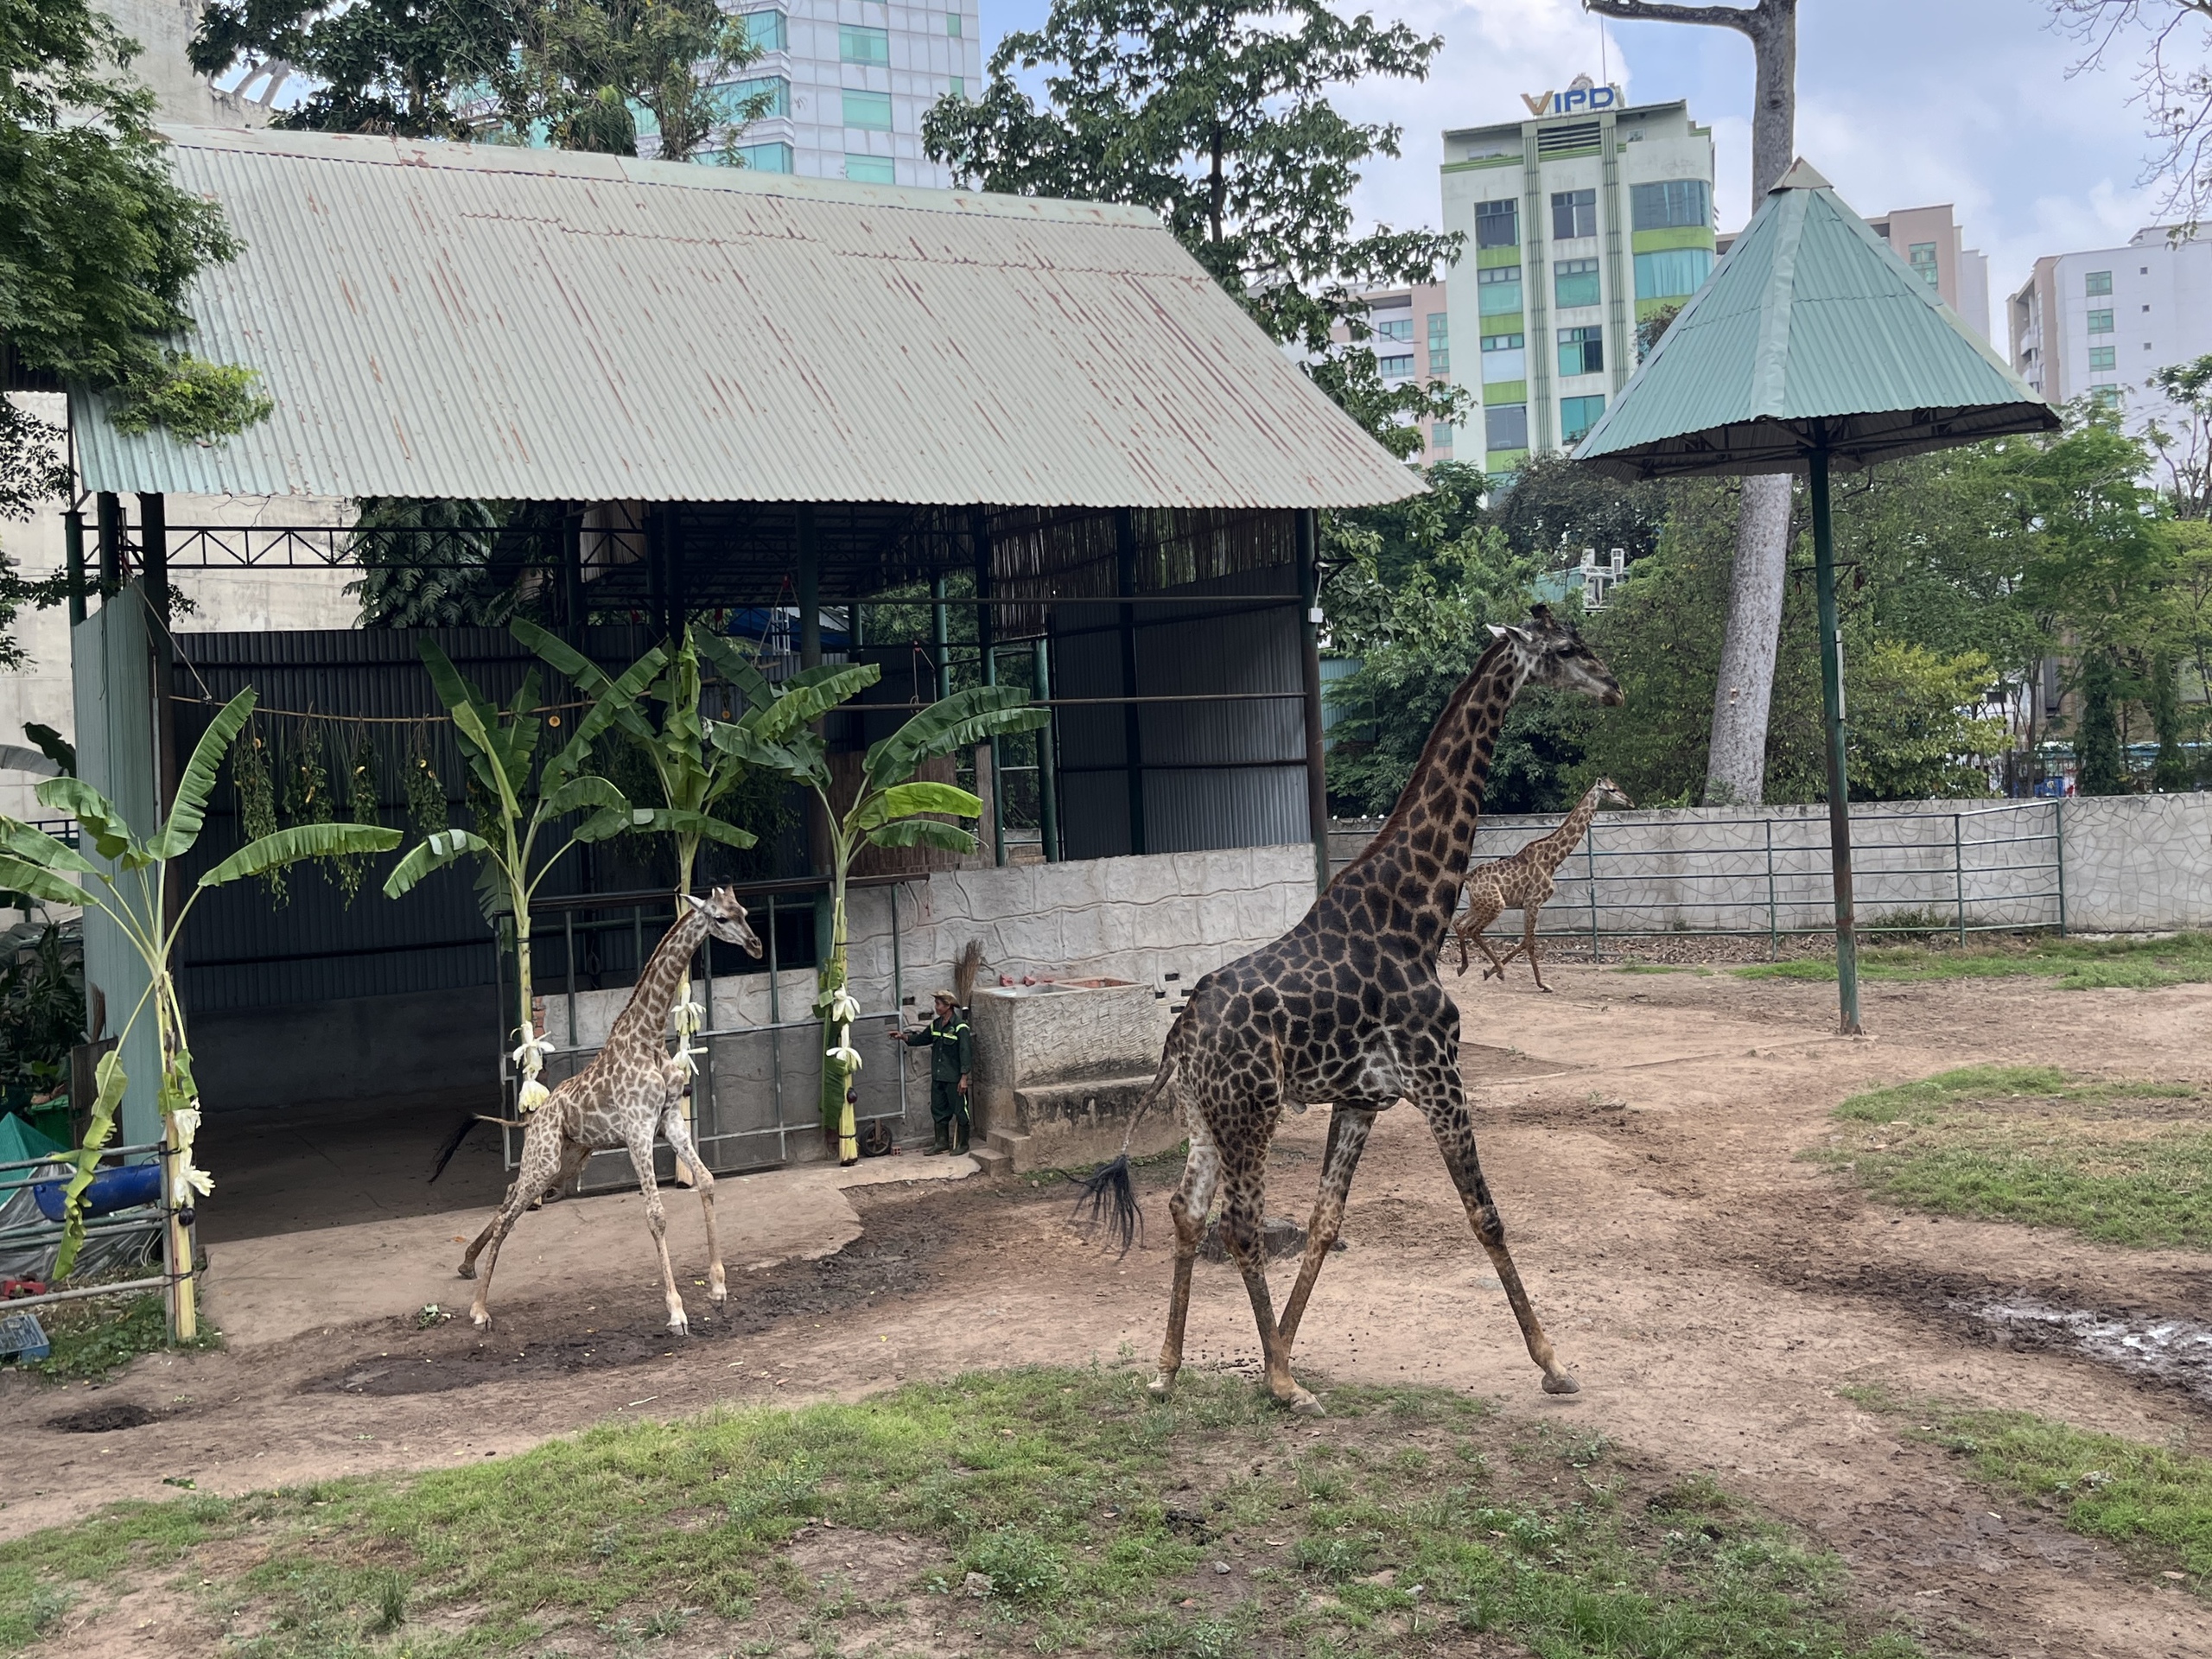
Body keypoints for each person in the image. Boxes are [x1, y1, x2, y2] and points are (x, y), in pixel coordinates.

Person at [887, 989, 972, 1154]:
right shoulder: (936, 1025)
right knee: (939, 1110)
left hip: (954, 1078)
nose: (936, 1007)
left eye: (938, 1004)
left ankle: (963, 1144)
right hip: (938, 1077)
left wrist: (964, 1078)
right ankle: (941, 1143)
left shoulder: (960, 1027)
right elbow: (921, 1039)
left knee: (961, 1110)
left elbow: (966, 1053)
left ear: (948, 1006)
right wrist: (903, 1037)